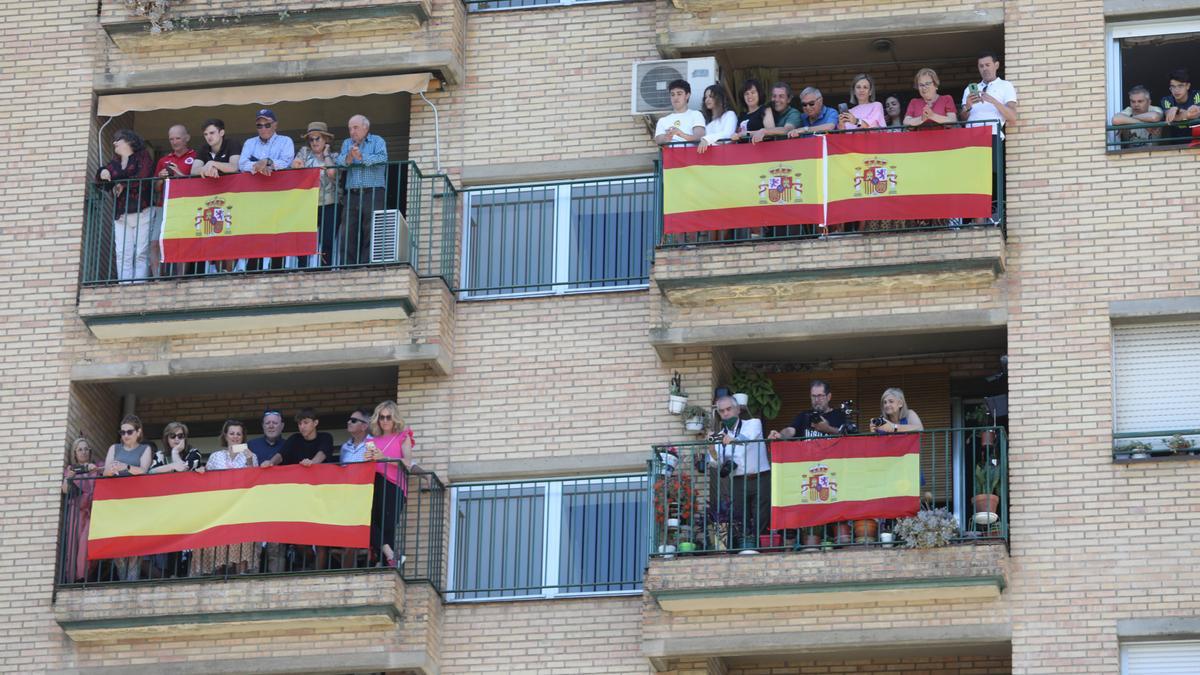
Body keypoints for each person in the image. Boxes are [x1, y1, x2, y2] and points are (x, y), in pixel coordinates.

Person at [191, 420, 259, 576]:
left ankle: (241, 575)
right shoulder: (216, 456)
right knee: (218, 540)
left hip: (241, 507)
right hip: (220, 508)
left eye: (238, 434)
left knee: (241, 540)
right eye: (232, 433)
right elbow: (207, 480)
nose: (235, 437)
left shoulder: (251, 456)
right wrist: (201, 471)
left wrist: (249, 460)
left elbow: (254, 480)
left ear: (243, 437)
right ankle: (217, 574)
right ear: (225, 436)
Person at [96, 129, 155, 282]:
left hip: (142, 209)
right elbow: (102, 180)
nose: (114, 142)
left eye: (118, 139)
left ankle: (139, 284)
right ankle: (125, 284)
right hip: (121, 213)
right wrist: (102, 172)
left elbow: (143, 176)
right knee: (123, 252)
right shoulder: (115, 162)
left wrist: (123, 184)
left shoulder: (142, 156)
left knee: (141, 251)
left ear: (129, 141)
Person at [710, 394, 770, 543]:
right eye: (722, 411)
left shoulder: (754, 423)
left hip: (760, 477)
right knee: (740, 516)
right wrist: (711, 449)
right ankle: (745, 546)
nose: (725, 413)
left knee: (762, 516)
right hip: (738, 481)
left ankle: (759, 548)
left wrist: (733, 440)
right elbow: (716, 463)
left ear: (738, 410)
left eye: (729, 409)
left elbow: (747, 439)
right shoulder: (719, 436)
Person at [147, 422, 204, 577]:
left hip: (187, 505)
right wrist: (173, 464)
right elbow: (150, 472)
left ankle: (182, 575)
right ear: (166, 438)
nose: (177, 439)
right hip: (165, 506)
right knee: (170, 542)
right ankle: (169, 574)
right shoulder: (158, 455)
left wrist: (174, 454)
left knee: (185, 542)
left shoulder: (194, 452)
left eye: (181, 436)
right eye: (173, 436)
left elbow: (184, 469)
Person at [363, 400, 415, 567]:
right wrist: (366, 460)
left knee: (388, 525)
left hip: (394, 484)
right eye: (381, 417)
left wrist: (384, 458)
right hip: (374, 482)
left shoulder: (403, 436)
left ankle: (387, 563)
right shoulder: (371, 441)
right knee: (367, 521)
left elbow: (407, 463)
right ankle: (390, 555)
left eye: (388, 417)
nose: (384, 421)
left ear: (395, 419)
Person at [191, 118, 245, 274]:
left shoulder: (232, 144)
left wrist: (213, 164)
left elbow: (234, 167)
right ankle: (219, 272)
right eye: (206, 134)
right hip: (211, 200)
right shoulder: (203, 149)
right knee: (214, 235)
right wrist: (207, 168)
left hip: (233, 197)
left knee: (229, 234)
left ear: (222, 132)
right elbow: (193, 171)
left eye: (212, 133)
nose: (209, 137)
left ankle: (228, 272)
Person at [102, 414, 152, 581]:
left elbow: (144, 470)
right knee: (118, 546)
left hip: (136, 503)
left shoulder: (145, 449)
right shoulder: (114, 448)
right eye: (122, 432)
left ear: (138, 432)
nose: (125, 436)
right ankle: (122, 581)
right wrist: (111, 470)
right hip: (116, 503)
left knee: (134, 548)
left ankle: (131, 583)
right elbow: (105, 472)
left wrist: (126, 466)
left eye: (129, 432)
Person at [337, 114, 388, 266]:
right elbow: (339, 162)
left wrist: (362, 157)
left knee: (371, 229)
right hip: (352, 194)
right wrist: (349, 158)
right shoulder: (347, 143)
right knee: (348, 231)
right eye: (350, 129)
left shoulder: (377, 141)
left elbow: (382, 158)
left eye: (355, 127)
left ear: (366, 127)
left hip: (373, 192)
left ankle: (368, 264)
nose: (352, 132)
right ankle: (347, 266)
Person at [290, 122, 340, 268]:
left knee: (327, 240)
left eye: (317, 138)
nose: (314, 142)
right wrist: (297, 164)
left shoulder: (335, 156)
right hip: (308, 202)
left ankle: (325, 268)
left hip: (330, 202)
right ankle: (302, 268)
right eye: (311, 139)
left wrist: (326, 155)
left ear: (326, 139)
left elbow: (332, 174)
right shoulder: (304, 152)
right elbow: (295, 165)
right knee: (304, 237)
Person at [151, 124, 196, 277]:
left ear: (187, 138)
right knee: (155, 242)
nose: (174, 142)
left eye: (178, 138)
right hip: (163, 205)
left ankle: (180, 278)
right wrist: (161, 178)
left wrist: (179, 173)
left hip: (184, 206)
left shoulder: (195, 156)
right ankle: (157, 279)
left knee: (181, 242)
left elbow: (197, 184)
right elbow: (156, 188)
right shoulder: (163, 160)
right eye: (171, 139)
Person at [61, 438, 101, 583]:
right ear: (75, 453)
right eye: (80, 449)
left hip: (91, 511)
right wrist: (69, 479)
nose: (84, 452)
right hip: (75, 512)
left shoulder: (96, 467)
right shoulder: (71, 470)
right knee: (73, 545)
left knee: (86, 543)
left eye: (86, 449)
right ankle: (71, 578)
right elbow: (65, 490)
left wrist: (95, 469)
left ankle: (83, 576)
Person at [960, 51, 1018, 138]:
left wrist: (993, 101)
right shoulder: (969, 89)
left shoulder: (1006, 85)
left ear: (996, 65)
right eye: (981, 66)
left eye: (987, 65)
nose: (984, 69)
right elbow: (963, 120)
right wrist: (968, 107)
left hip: (992, 135)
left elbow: (1012, 117)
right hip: (971, 136)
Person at [769, 380, 847, 440]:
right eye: (813, 396)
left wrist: (827, 429)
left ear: (829, 397)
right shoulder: (804, 416)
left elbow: (848, 436)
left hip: (832, 459)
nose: (816, 400)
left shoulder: (839, 415)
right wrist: (780, 435)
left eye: (820, 396)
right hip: (809, 460)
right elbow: (790, 430)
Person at [261, 408, 332, 468]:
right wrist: (270, 463)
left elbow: (322, 453)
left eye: (306, 423)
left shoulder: (325, 437)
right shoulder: (294, 438)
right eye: (299, 423)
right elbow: (281, 455)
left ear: (315, 423)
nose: (302, 426)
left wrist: (312, 463)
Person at [238, 109, 295, 175]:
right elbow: (241, 165)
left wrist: (268, 162)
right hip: (254, 183)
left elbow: (287, 163)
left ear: (275, 125)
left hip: (280, 183)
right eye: (259, 126)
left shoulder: (286, 141)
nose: (263, 129)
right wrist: (259, 165)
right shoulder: (249, 142)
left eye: (267, 125)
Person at [653, 79, 707, 147]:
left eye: (679, 94)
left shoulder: (696, 114)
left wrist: (681, 134)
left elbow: (700, 137)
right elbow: (658, 140)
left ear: (687, 95)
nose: (675, 97)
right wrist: (667, 136)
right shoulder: (662, 120)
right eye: (672, 94)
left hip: (691, 155)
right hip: (670, 156)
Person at [1160, 69, 1200, 146]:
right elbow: (1171, 117)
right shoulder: (1166, 100)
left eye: (1180, 86)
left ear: (1188, 86)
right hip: (1177, 145)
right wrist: (1187, 114)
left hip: (1196, 144)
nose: (1176, 90)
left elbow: (1195, 114)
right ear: (1170, 88)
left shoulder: (1197, 95)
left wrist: (1177, 110)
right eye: (1173, 87)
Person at [697, 84, 738, 154]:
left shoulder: (729, 114)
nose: (707, 100)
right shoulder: (706, 121)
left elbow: (727, 135)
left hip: (726, 156)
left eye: (711, 96)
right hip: (709, 158)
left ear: (719, 97)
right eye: (705, 97)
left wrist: (707, 139)